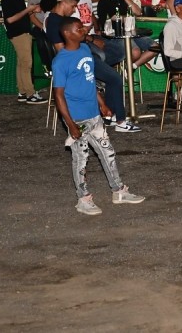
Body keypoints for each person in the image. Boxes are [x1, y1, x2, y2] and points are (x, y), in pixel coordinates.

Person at [52, 17, 145, 216]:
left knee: (107, 152)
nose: (84, 30)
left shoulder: (85, 50)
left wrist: (102, 104)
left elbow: (90, 80)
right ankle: (83, 199)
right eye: (79, 29)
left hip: (93, 114)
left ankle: (118, 191)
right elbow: (58, 95)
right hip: (77, 117)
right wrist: (70, 124)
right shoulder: (61, 60)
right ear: (67, 34)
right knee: (81, 159)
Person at [46, 0, 140, 133]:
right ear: (64, 2)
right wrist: (84, 63)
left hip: (85, 53)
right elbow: (62, 51)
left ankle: (109, 113)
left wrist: (89, 38)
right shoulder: (55, 22)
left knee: (118, 53)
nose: (74, 9)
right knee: (115, 78)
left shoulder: (61, 20)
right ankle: (120, 121)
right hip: (79, 60)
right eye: (73, 5)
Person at [1, 0, 47, 104]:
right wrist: (28, 10)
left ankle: (22, 92)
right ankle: (30, 94)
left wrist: (32, 10)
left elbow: (19, 15)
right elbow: (10, 19)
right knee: (26, 64)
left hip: (21, 33)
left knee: (22, 64)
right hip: (19, 34)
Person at [96, 0, 157, 71]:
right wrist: (128, 18)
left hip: (130, 32)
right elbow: (112, 18)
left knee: (155, 47)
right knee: (135, 52)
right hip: (115, 36)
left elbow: (138, 12)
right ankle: (124, 69)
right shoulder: (103, 2)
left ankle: (131, 67)